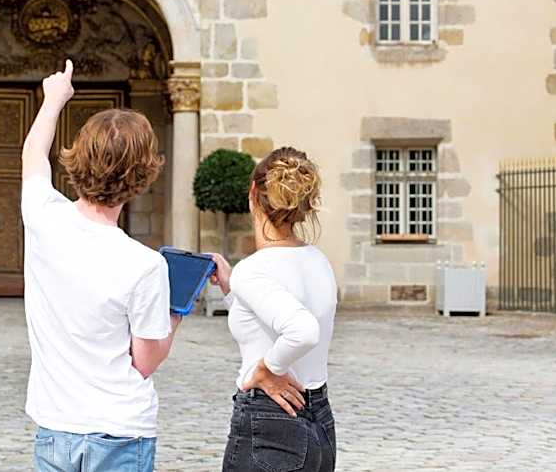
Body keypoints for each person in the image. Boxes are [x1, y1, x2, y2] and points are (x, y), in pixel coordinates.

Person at [21, 60, 180, 472]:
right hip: (121, 430)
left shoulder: (42, 218)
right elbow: (145, 361)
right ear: (143, 177)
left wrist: (54, 99)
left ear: (78, 160)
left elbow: (34, 153)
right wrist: (176, 313)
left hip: (55, 428)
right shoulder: (145, 266)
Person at [209, 147, 339, 472]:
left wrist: (268, 370)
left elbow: (302, 330)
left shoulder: (253, 271)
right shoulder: (318, 261)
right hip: (319, 416)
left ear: (253, 193)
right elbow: (264, 322)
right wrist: (230, 286)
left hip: (270, 422)